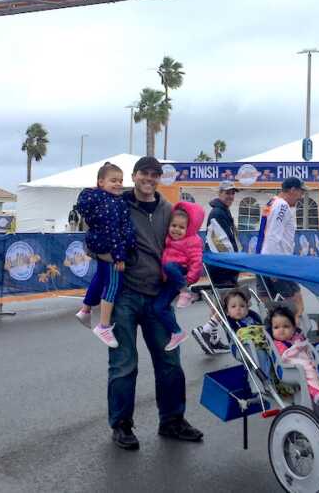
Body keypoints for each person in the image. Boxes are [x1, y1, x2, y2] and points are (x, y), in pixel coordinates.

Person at [109, 156, 202, 450]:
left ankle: (172, 420)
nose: (149, 178)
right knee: (124, 364)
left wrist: (184, 278)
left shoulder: (168, 210)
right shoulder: (117, 205)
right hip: (124, 296)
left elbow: (187, 243)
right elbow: (94, 239)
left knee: (169, 362)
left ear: (159, 178)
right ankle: (122, 424)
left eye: (154, 174)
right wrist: (106, 259)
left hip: (158, 296)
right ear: (134, 176)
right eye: (144, 173)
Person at [74, 162, 137, 347]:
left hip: (101, 247)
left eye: (120, 180)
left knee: (100, 277)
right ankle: (103, 325)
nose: (118, 184)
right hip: (112, 251)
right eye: (113, 181)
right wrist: (120, 256)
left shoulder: (98, 199)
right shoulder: (109, 203)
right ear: (101, 182)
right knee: (113, 286)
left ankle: (85, 310)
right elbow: (113, 231)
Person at [193, 182, 240, 355]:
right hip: (222, 265)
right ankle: (205, 330)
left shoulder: (222, 211)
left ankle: (212, 339)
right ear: (219, 193)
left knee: (221, 302)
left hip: (220, 264)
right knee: (229, 303)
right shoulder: (218, 213)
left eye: (232, 193)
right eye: (227, 193)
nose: (230, 196)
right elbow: (222, 242)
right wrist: (234, 261)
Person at [156, 202, 205, 351]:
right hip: (170, 278)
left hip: (180, 274)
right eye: (174, 226)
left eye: (181, 227)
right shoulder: (169, 239)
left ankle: (185, 292)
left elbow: (197, 262)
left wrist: (189, 280)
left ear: (188, 228)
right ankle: (177, 332)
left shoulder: (192, 240)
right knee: (158, 307)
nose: (176, 230)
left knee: (169, 265)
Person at [256, 177, 306, 317]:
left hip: (264, 258)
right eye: (301, 192)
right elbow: (273, 235)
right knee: (295, 307)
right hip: (277, 261)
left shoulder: (272, 202)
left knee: (268, 302)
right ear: (292, 190)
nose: (301, 197)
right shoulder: (282, 205)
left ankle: (275, 329)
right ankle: (294, 333)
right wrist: (272, 267)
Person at [267, 304, 319, 404]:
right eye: (276, 327)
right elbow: (286, 355)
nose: (281, 330)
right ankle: (316, 392)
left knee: (318, 367)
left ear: (293, 328)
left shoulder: (297, 338)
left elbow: (306, 349)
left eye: (286, 326)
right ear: (271, 330)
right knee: (308, 371)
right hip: (290, 368)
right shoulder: (278, 344)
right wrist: (297, 347)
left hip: (303, 362)